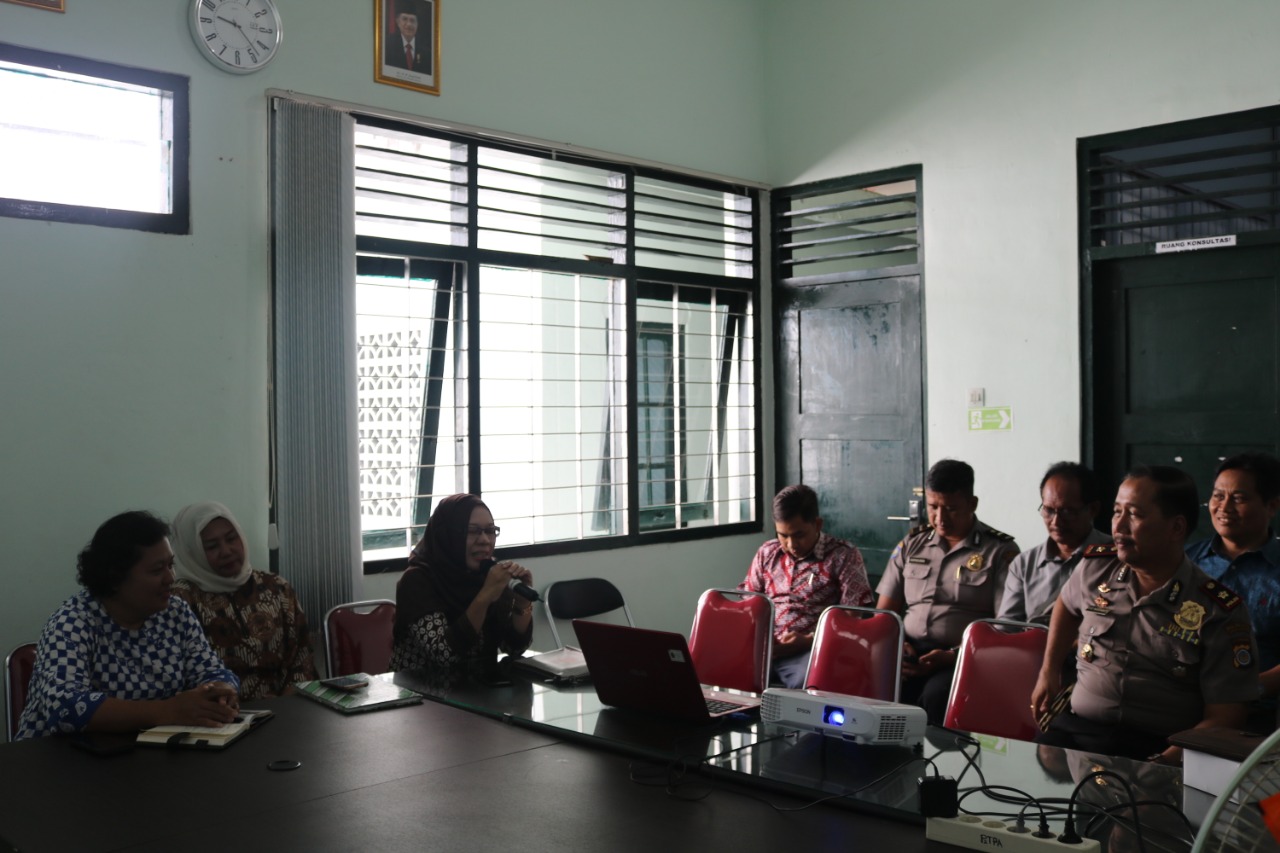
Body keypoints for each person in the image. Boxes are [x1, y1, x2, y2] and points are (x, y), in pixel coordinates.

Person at [1032, 465, 1258, 763]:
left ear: (1175, 528)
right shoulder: (1097, 567)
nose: (1119, 526)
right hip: (1077, 732)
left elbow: (1227, 715)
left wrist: (1168, 761)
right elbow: (1066, 604)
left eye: (1134, 515)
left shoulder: (1218, 610)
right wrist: (1049, 670)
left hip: (1156, 748)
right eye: (1116, 512)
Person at [17, 511, 239, 740]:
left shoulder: (175, 613)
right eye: (156, 570)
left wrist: (221, 691)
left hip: (142, 756)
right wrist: (169, 710)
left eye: (170, 565)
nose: (170, 578)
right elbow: (65, 708)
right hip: (56, 762)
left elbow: (211, 671)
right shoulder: (73, 622)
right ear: (115, 577)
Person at [876, 459, 1019, 724]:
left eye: (951, 509)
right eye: (933, 507)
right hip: (908, 650)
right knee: (874, 684)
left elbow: (1003, 628)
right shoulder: (912, 543)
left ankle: (931, 763)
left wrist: (952, 655)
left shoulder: (1000, 551)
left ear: (972, 504)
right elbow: (884, 613)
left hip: (962, 656)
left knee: (936, 697)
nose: (940, 518)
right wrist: (899, 645)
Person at [169, 502, 318, 700]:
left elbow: (302, 659)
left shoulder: (276, 588)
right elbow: (178, 678)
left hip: (285, 710)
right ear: (191, 552)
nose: (227, 551)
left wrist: (285, 704)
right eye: (212, 546)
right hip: (217, 717)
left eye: (232, 538)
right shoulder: (179, 601)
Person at [738, 484, 873, 688]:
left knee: (805, 681)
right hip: (765, 646)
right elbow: (749, 604)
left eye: (799, 535)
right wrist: (761, 636)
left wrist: (810, 640)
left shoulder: (844, 556)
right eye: (783, 535)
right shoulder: (767, 553)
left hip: (813, 649)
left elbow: (851, 621)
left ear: (817, 524)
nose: (791, 544)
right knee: (716, 664)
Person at [389, 493, 533, 679]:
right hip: (422, 696)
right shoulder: (417, 580)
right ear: (447, 534)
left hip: (478, 692)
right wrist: (486, 595)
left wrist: (522, 604)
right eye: (472, 531)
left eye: (490, 531)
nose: (485, 540)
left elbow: (515, 649)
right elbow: (445, 654)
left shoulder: (488, 574)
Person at [1185, 452, 1280, 709]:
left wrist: (1250, 689)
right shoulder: (1185, 562)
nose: (1224, 508)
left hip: (1260, 713)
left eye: (1238, 498)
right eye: (1218, 496)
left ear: (1271, 506)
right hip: (1182, 704)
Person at [998, 462, 1110, 625]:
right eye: (1048, 510)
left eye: (1067, 512)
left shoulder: (1115, 557)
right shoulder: (1024, 564)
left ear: (1093, 509)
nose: (1056, 522)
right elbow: (1006, 627)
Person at [384, 1, 430, 73]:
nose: (409, 24)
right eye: (405, 19)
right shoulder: (387, 45)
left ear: (417, 24)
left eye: (412, 20)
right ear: (398, 22)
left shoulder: (427, 52)